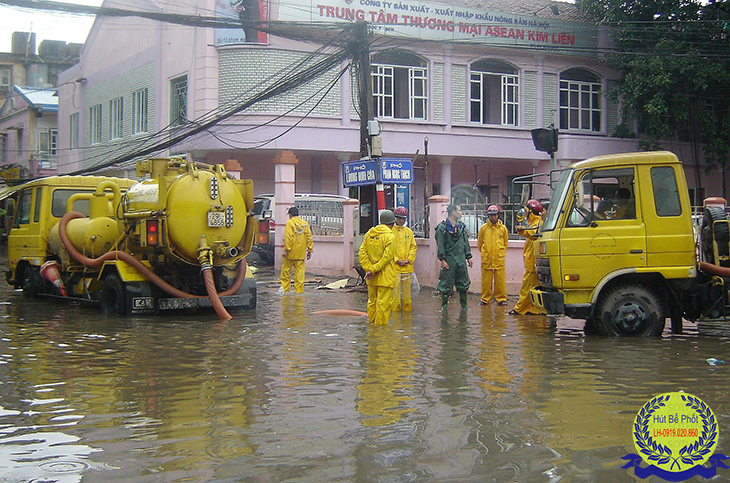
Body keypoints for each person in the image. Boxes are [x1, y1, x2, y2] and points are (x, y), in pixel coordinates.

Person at [359, 210, 397, 325]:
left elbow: (362, 253)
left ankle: (371, 325)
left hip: (371, 277)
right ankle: (380, 331)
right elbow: (387, 258)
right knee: (383, 304)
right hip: (385, 277)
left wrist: (369, 269)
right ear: (392, 224)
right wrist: (374, 269)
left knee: (372, 302)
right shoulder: (390, 237)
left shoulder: (369, 234)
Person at [435, 203, 474, 311]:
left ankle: (464, 305)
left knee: (463, 281)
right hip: (449, 258)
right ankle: (444, 305)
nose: (461, 213)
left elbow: (465, 242)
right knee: (445, 282)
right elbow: (440, 244)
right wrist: (442, 259)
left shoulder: (460, 227)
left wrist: (468, 256)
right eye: (459, 210)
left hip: (461, 258)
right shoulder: (442, 228)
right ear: (452, 212)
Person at [510, 199, 545, 315]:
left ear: (531, 211)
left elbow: (534, 233)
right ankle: (536, 310)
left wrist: (523, 231)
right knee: (536, 286)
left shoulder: (537, 224)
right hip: (533, 260)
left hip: (532, 261)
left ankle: (520, 309)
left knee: (527, 287)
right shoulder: (536, 223)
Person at [477, 204, 509, 306]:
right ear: (488, 216)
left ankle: (501, 298)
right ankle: (485, 299)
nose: (493, 217)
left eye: (495, 215)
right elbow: (480, 243)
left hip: (499, 258)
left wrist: (500, 253)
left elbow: (505, 243)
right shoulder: (483, 228)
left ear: (498, 215)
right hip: (487, 258)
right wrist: (485, 252)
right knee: (486, 280)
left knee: (500, 280)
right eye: (491, 215)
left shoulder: (503, 228)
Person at [279, 206, 313, 294]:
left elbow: (288, 238)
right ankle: (299, 291)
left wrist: (287, 250)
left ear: (290, 215)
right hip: (301, 254)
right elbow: (309, 237)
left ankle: (285, 290)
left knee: (286, 272)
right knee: (299, 274)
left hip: (290, 253)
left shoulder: (290, 223)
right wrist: (309, 250)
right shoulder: (305, 224)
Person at [391, 206, 418, 312]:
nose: (401, 221)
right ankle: (395, 319)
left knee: (407, 297)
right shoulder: (390, 231)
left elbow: (413, 247)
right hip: (395, 268)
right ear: (395, 218)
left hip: (407, 268)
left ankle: (407, 321)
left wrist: (409, 260)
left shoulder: (409, 232)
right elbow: (388, 249)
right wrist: (396, 259)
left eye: (403, 219)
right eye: (399, 218)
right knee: (395, 296)